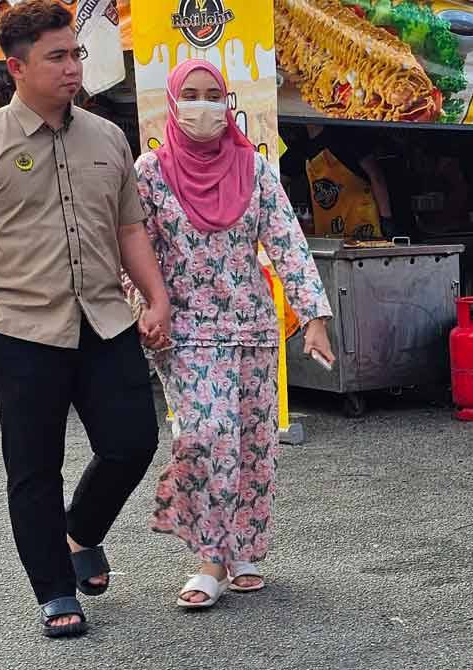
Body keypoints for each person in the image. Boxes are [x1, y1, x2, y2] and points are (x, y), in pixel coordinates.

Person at [0, 0, 171, 637]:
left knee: (132, 443)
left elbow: (129, 228)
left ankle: (81, 532)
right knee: (33, 468)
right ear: (17, 67)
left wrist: (156, 296)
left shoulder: (109, 137)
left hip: (105, 320)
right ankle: (55, 591)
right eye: (57, 57)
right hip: (18, 330)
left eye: (76, 54)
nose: (73, 67)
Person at [132, 59, 334, 609]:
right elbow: (134, 250)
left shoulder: (255, 169)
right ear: (173, 104)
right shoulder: (149, 172)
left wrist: (312, 319)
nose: (204, 106)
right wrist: (146, 310)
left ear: (228, 102)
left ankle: (244, 547)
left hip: (251, 326)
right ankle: (209, 559)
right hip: (188, 329)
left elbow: (287, 243)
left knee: (253, 442)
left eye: (213, 94)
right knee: (205, 434)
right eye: (191, 95)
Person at [280, 123, 394, 240]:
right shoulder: (301, 146)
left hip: (363, 225)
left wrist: (386, 220)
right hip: (328, 233)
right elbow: (277, 181)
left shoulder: (347, 135)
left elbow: (376, 176)